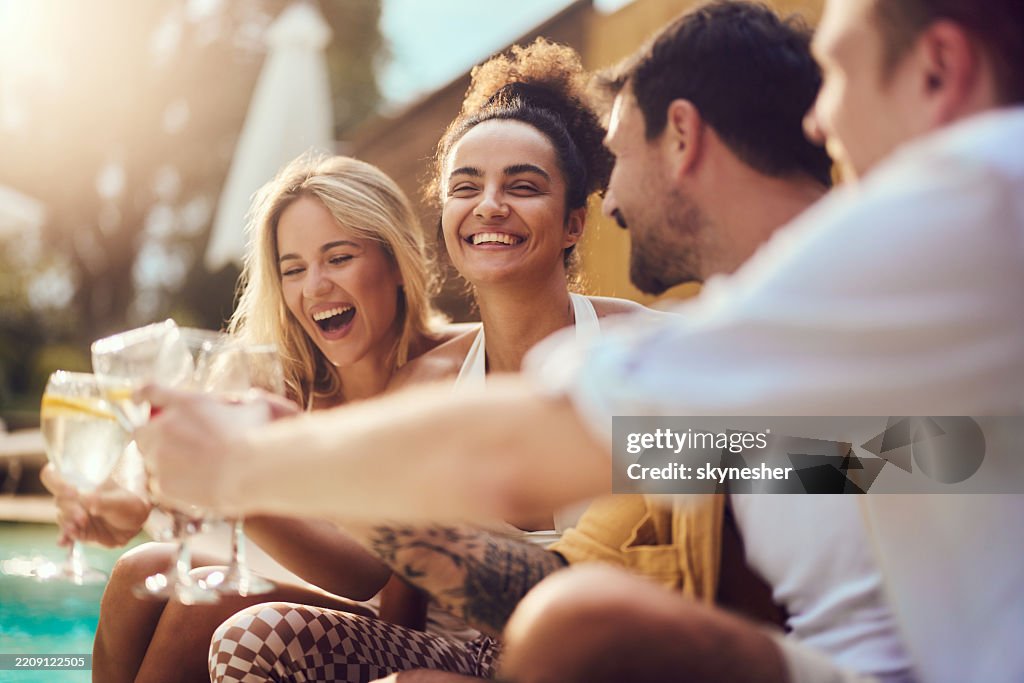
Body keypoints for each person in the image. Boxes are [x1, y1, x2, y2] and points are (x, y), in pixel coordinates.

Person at [140, 0, 1024, 680]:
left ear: (680, 136)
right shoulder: (811, 355)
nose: (822, 123)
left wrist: (243, 462)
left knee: (579, 623)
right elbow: (902, 455)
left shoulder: (968, 193)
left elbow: (543, 451)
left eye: (610, 153)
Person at [204, 38, 649, 683]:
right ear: (445, 218)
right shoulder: (426, 387)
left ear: (575, 222)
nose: (489, 205)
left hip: (620, 653)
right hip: (476, 655)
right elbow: (391, 595)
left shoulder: (642, 350)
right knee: (249, 637)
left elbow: (842, 466)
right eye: (466, 187)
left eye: (522, 186)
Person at [43, 153, 464, 683]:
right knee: (136, 571)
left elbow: (373, 580)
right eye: (293, 270)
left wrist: (231, 481)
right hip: (288, 612)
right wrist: (110, 505)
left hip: (401, 633)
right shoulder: (276, 371)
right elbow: (141, 476)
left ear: (397, 261)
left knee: (208, 603)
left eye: (338, 258)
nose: (314, 288)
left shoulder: (446, 374)